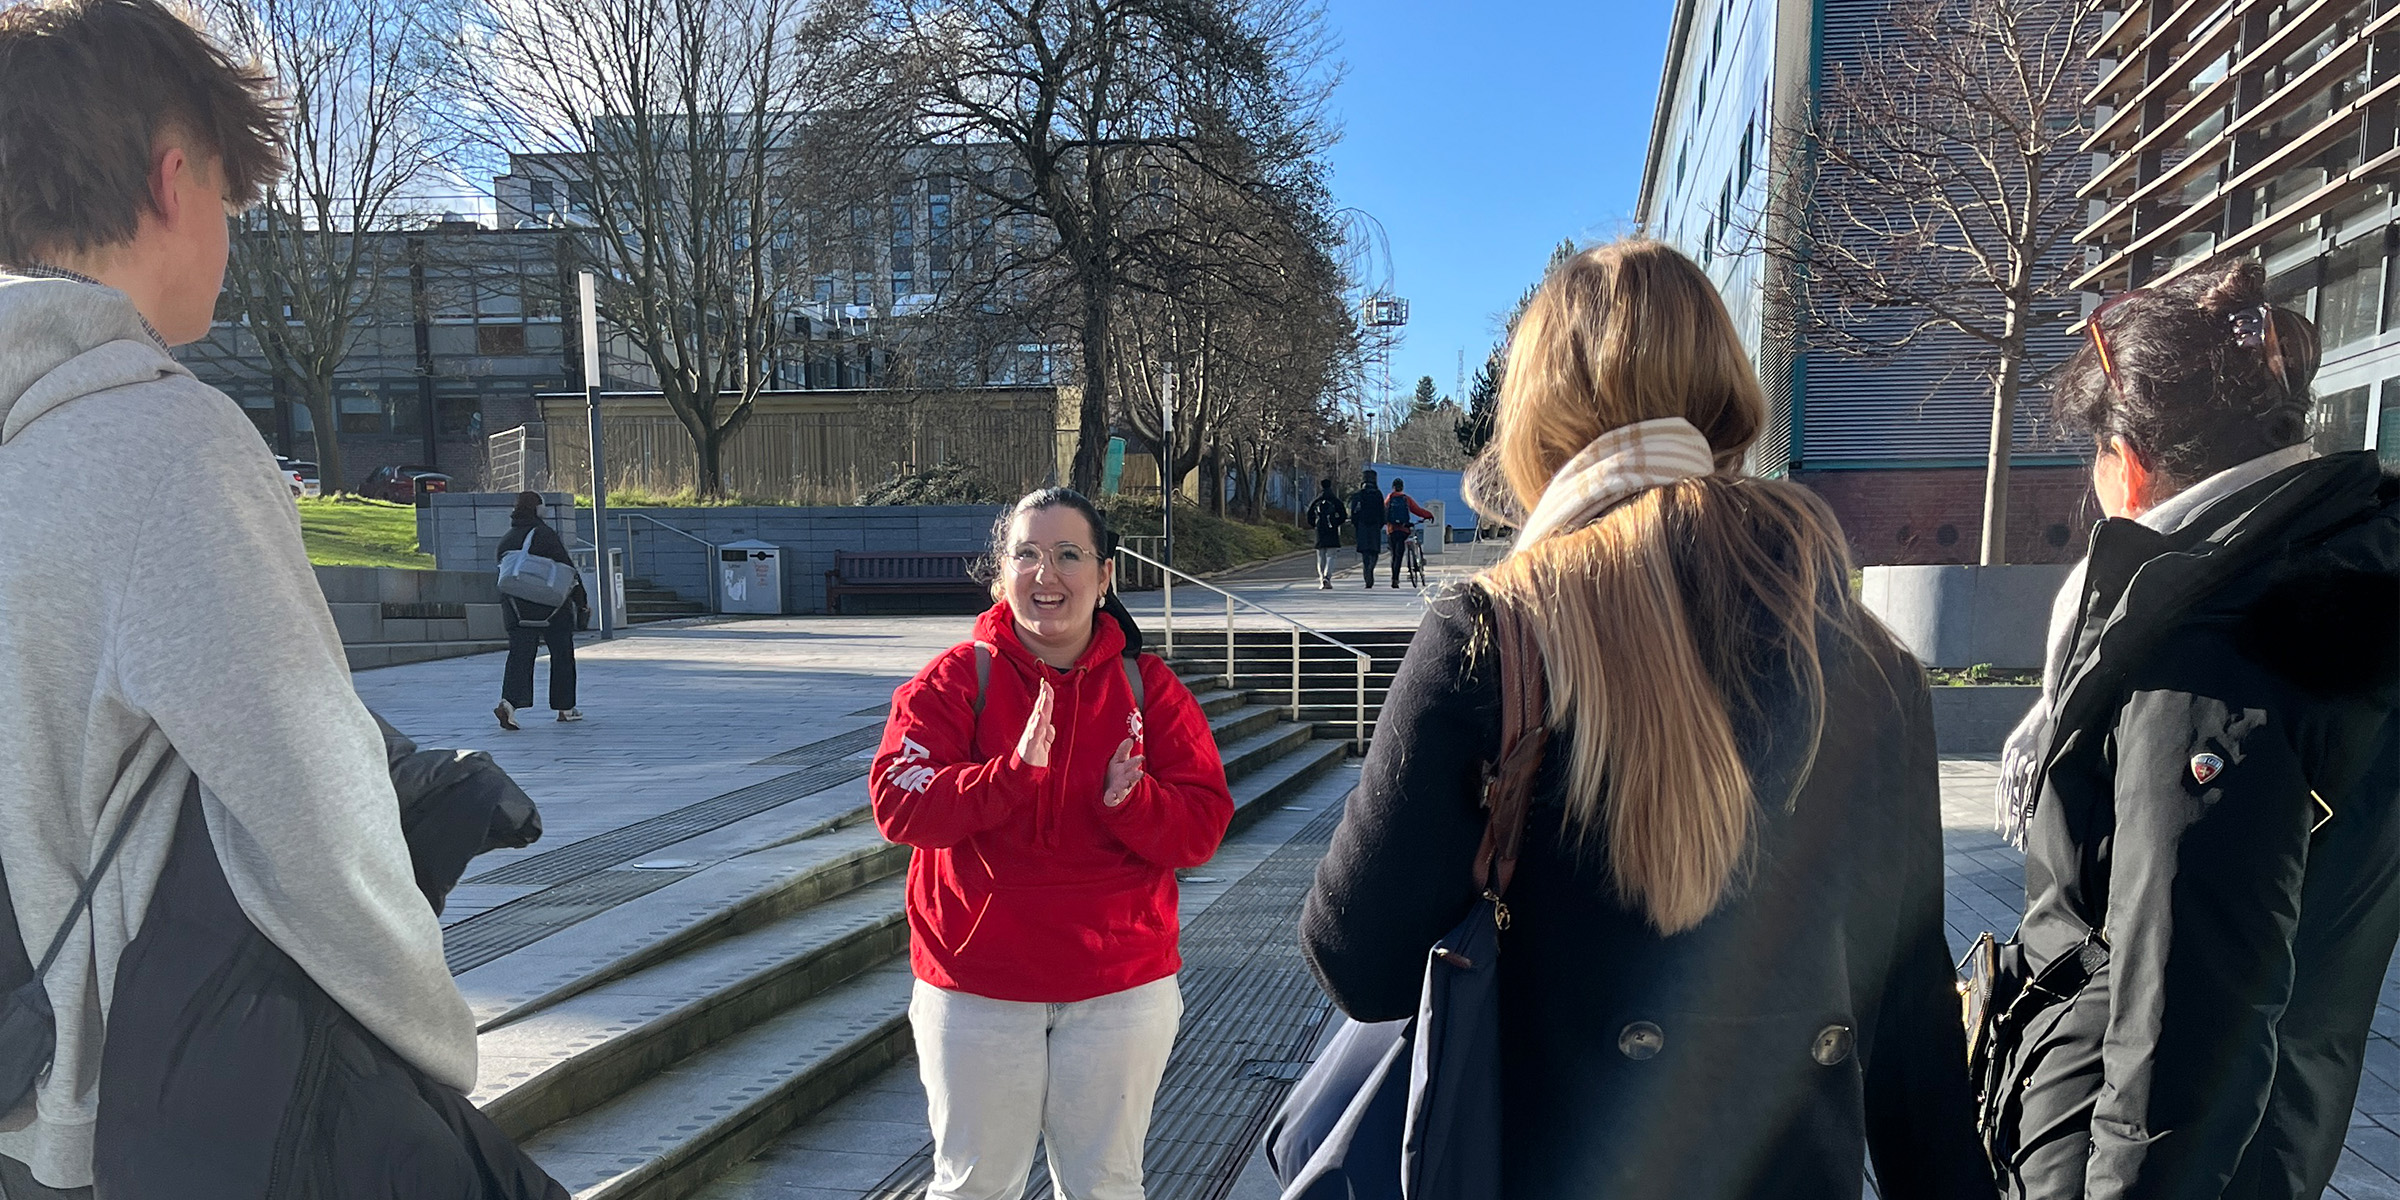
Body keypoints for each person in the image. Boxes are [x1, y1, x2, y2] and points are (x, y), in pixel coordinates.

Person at [1301, 239, 1987, 1200]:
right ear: (1720, 383)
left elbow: (1357, 963)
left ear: (1537, 407)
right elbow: (1913, 1029)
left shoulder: (1495, 636)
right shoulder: (1867, 655)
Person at [0, 1, 528, 1194]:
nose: (231, 245)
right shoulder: (162, 441)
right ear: (172, 176)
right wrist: (436, 1041)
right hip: (125, 1112)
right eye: (235, 207)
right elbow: (310, 812)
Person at [1979, 256, 2399, 1200]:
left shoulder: (2208, 638)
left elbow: (2185, 1006)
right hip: (2264, 1133)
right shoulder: (2331, 565)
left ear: (2126, 460)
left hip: (2113, 1159)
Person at [872, 488, 1236, 1200]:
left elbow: (1202, 825)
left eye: (1070, 555)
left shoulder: (1149, 689)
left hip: (1120, 986)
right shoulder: (952, 683)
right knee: (974, 1186)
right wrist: (1007, 778)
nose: (1048, 575)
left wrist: (1132, 802)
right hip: (977, 984)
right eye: (1028, 555)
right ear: (998, 575)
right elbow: (898, 803)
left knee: (1106, 1186)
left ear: (1105, 577)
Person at [495, 490, 589, 729]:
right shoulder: (544, 535)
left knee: (520, 655)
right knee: (561, 654)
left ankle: (509, 704)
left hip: (516, 607)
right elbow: (569, 572)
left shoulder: (507, 538)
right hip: (551, 607)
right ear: (538, 510)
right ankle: (565, 708)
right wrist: (582, 602)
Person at [1381, 477, 1435, 588]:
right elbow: (1417, 510)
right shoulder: (1406, 499)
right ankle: (1412, 566)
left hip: (1391, 530)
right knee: (1400, 553)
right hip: (1403, 529)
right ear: (1402, 488)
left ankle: (1394, 579)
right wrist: (1428, 515)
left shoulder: (1389, 499)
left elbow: (1383, 512)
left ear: (1393, 487)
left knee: (1394, 555)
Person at [1305, 477, 1348, 589]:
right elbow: (1343, 515)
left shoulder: (1316, 500)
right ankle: (1327, 577)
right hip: (1332, 530)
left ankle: (1321, 578)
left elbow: (1309, 515)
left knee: (1321, 556)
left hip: (1320, 530)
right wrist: (1336, 522)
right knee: (1331, 555)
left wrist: (1314, 525)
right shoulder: (1335, 500)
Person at [1347, 469, 1385, 588]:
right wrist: (1380, 524)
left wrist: (1356, 525)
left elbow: (1353, 513)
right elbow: (1383, 512)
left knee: (1365, 552)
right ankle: (1371, 568)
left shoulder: (1358, 495)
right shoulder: (1378, 494)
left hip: (1362, 526)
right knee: (1374, 551)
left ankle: (1366, 572)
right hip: (1374, 526)